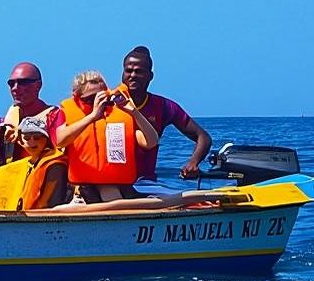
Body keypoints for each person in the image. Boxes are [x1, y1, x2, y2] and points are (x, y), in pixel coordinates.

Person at [49, 70, 159, 203]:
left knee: (111, 192)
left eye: (101, 98)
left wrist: (134, 112)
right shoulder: (66, 113)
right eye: (90, 99)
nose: (97, 103)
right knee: (107, 194)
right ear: (77, 97)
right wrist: (92, 117)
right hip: (83, 186)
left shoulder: (119, 116)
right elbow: (60, 141)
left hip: (117, 184)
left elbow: (151, 142)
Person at [120, 46, 212, 194]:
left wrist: (193, 162)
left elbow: (203, 137)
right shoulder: (108, 103)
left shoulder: (164, 106)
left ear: (150, 76)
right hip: (111, 183)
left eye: (139, 71)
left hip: (145, 183)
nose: (132, 75)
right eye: (128, 70)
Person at [0, 61, 53, 180]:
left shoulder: (54, 118)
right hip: (12, 190)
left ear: (38, 86)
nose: (15, 88)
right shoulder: (7, 124)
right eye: (11, 83)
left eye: (23, 83)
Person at [0, 117, 69, 211]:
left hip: (40, 218)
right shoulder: (13, 168)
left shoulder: (55, 165)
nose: (32, 142)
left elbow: (53, 203)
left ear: (46, 140)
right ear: (20, 141)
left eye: (37, 138)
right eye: (27, 138)